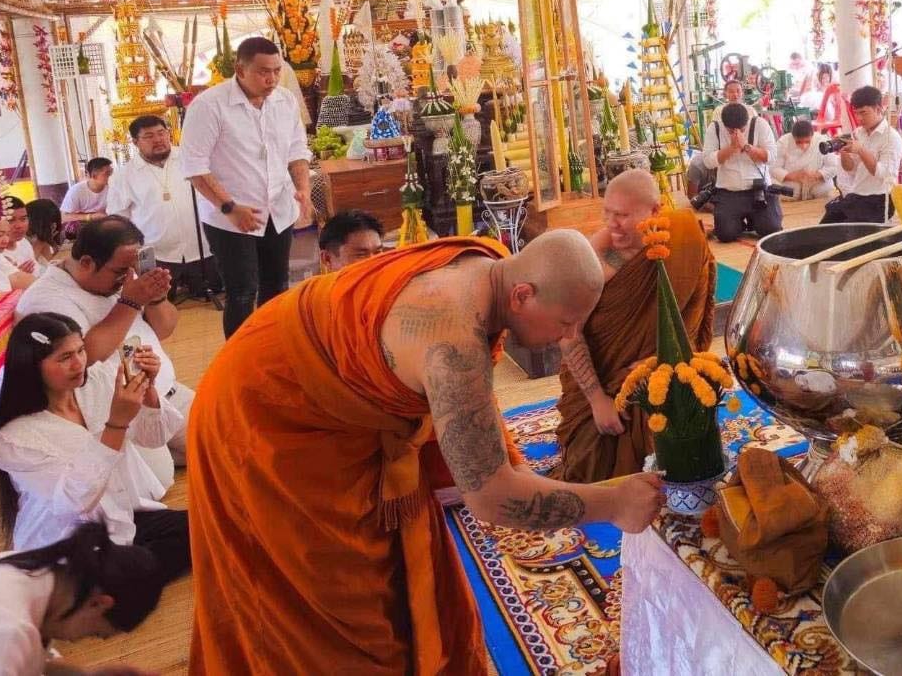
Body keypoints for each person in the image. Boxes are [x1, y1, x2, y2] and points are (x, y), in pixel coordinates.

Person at [186, 230, 665, 674]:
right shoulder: (451, 334)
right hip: (266, 412)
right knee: (326, 605)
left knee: (395, 576)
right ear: (523, 295)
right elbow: (492, 497)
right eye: (566, 322)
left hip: (320, 387)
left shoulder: (493, 263)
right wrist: (613, 503)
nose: (568, 338)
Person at [0, 314, 189, 585]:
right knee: (125, 574)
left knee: (204, 529)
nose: (78, 363)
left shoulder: (97, 382)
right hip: (68, 542)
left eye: (81, 350)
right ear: (32, 366)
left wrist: (149, 390)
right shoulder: (14, 439)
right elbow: (75, 503)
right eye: (64, 358)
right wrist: (116, 424)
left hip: (124, 518)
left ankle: (122, 578)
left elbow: (154, 438)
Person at [556, 170, 715, 483]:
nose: (611, 223)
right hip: (602, 380)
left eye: (623, 215)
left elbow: (693, 319)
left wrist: (666, 359)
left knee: (685, 456)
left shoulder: (683, 239)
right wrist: (598, 401)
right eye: (607, 212)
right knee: (589, 468)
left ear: (655, 211)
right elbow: (567, 333)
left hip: (660, 369)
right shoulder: (597, 256)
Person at [16, 217, 185, 485]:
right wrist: (130, 301)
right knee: (166, 476)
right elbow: (84, 359)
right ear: (86, 262)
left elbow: (164, 329)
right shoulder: (45, 299)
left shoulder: (114, 281)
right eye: (120, 271)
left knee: (235, 437)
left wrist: (156, 298)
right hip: (123, 411)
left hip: (165, 391)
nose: (128, 278)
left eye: (134, 267)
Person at [181, 36, 312, 338]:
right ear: (240, 69)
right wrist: (229, 207)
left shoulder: (285, 100)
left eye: (277, 71)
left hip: (277, 209)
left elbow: (297, 151)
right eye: (264, 72)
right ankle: (239, 360)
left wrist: (302, 189)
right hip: (229, 216)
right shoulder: (209, 106)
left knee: (276, 285)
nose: (273, 79)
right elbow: (195, 167)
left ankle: (271, 348)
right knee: (242, 291)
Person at [0, 521, 165, 675]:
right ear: (99, 603)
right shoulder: (6, 635)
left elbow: (34, 662)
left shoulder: (30, 569)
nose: (77, 640)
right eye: (95, 633)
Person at [105, 115, 212, 303]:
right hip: (157, 253)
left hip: (202, 247)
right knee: (160, 300)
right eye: (149, 136)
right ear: (136, 142)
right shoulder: (124, 176)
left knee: (210, 292)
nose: (158, 139)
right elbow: (117, 218)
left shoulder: (190, 158)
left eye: (161, 133)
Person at [821, 86, 902, 224]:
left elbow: (883, 174)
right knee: (826, 226)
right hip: (858, 195)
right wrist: (843, 151)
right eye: (856, 113)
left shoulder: (891, 137)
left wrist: (861, 150)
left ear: (878, 109)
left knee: (849, 234)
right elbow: (850, 169)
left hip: (880, 199)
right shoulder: (859, 133)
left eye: (864, 113)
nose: (859, 118)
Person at [699, 101, 781, 243]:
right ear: (724, 125)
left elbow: (771, 157)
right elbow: (707, 161)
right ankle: (739, 223)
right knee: (725, 235)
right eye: (731, 131)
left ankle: (755, 220)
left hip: (758, 189)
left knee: (771, 229)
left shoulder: (760, 124)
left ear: (747, 122)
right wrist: (731, 148)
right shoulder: (715, 128)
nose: (736, 134)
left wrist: (747, 147)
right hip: (729, 191)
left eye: (742, 130)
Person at [771, 119, 832, 200]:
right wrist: (792, 176)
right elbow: (773, 167)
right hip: (791, 182)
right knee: (777, 187)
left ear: (812, 136)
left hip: (816, 182)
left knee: (822, 189)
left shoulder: (822, 141)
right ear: (793, 137)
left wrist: (816, 175)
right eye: (799, 142)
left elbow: (833, 166)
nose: (803, 146)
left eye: (807, 142)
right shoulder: (783, 142)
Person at [318, 209, 385, 271]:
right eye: (361, 255)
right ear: (327, 259)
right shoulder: (313, 283)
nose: (374, 264)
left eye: (378, 252)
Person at [60, 159, 113, 228]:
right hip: (83, 226)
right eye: (107, 173)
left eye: (111, 172)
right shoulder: (77, 191)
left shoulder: (112, 188)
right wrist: (90, 217)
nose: (111, 176)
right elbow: (63, 217)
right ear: (93, 176)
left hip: (104, 224)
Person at [25, 199, 63, 272]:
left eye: (26, 218)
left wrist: (43, 240)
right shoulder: (26, 239)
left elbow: (48, 263)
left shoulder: (43, 241)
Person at [4, 197, 37, 272]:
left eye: (23, 219)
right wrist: (16, 277)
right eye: (11, 220)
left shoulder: (24, 242)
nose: (19, 226)